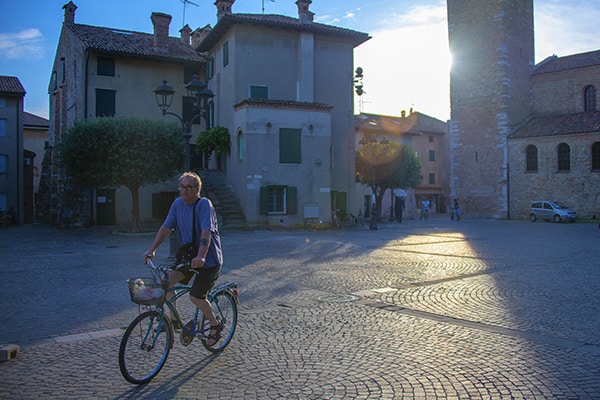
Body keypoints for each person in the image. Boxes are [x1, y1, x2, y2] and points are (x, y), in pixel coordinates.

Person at [143, 172, 224, 345]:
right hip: (188, 258)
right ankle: (173, 320)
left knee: (196, 297)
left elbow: (206, 232)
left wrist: (201, 256)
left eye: (189, 187)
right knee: (166, 280)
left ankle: (215, 324)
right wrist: (152, 249)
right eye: (182, 186)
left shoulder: (204, 204)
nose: (185, 190)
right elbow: (165, 228)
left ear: (197, 189)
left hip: (208, 260)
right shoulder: (178, 204)